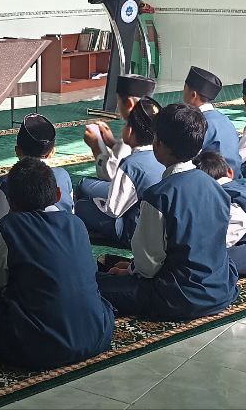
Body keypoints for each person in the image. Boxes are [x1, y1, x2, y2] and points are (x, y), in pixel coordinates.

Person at [0, 158, 114, 370]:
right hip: (98, 335)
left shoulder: (11, 228)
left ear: (10, 201)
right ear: (58, 195)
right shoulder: (77, 223)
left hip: (39, 347)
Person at [96, 104, 238, 321]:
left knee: (94, 284)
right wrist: (132, 267)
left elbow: (148, 267)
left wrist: (130, 271)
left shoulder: (159, 196)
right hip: (220, 289)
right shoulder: (215, 187)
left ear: (159, 144)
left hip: (180, 297)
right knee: (114, 264)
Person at [74, 98, 165, 248]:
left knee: (81, 206)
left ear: (129, 131)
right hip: (156, 225)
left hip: (133, 231)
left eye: (126, 124)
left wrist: (96, 202)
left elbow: (114, 210)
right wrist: (111, 143)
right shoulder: (161, 154)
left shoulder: (131, 164)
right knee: (85, 187)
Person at [0, 114, 74, 240]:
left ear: (17, 151)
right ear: (52, 152)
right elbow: (71, 212)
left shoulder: (9, 181)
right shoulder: (63, 176)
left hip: (26, 245)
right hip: (65, 239)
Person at [79, 74, 156, 201]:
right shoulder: (152, 120)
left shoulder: (132, 127)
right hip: (151, 181)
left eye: (118, 100)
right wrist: (111, 143)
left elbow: (111, 173)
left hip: (133, 194)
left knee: (84, 185)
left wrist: (96, 146)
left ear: (129, 103)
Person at [182, 66, 241, 172]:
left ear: (193, 94)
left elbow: (183, 158)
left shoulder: (198, 122)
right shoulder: (225, 119)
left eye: (184, 88)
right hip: (234, 175)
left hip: (214, 178)